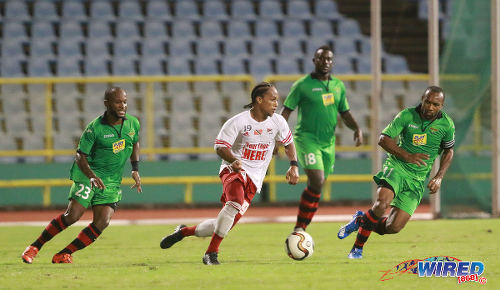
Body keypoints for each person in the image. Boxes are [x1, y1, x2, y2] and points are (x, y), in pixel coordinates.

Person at [160, 82, 300, 265]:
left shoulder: (278, 122)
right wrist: (233, 160)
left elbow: (288, 143)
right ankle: (211, 253)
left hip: (255, 179)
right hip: (233, 170)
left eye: (277, 100)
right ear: (259, 100)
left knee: (224, 223)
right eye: (272, 99)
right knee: (234, 202)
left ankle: (183, 232)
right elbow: (220, 146)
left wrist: (294, 165)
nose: (276, 104)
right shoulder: (238, 122)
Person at [21, 87, 142, 264]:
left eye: (124, 102)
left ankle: (64, 253)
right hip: (88, 174)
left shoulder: (133, 123)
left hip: (111, 181)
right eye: (118, 102)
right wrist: (91, 176)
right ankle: (34, 247)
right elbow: (80, 156)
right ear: (107, 104)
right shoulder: (95, 128)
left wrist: (135, 168)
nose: (123, 105)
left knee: (102, 221)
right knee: (72, 216)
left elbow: (135, 142)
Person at [337, 86, 455, 259]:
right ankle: (357, 248)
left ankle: (361, 220)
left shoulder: (447, 125)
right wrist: (407, 155)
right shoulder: (406, 115)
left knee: (393, 227)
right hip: (397, 167)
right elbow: (383, 139)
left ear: (441, 106)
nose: (430, 107)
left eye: (435, 104)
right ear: (422, 98)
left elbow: (449, 151)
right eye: (427, 102)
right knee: (381, 204)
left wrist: (439, 177)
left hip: (417, 179)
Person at [281, 45, 363, 232]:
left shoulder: (338, 85)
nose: (325, 62)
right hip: (306, 139)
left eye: (329, 59)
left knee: (317, 185)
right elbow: (286, 111)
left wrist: (357, 128)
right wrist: (279, 136)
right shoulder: (302, 85)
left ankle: (302, 228)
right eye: (321, 58)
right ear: (314, 61)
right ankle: (300, 227)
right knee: (317, 180)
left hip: (328, 143)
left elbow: (345, 112)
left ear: (332, 62)